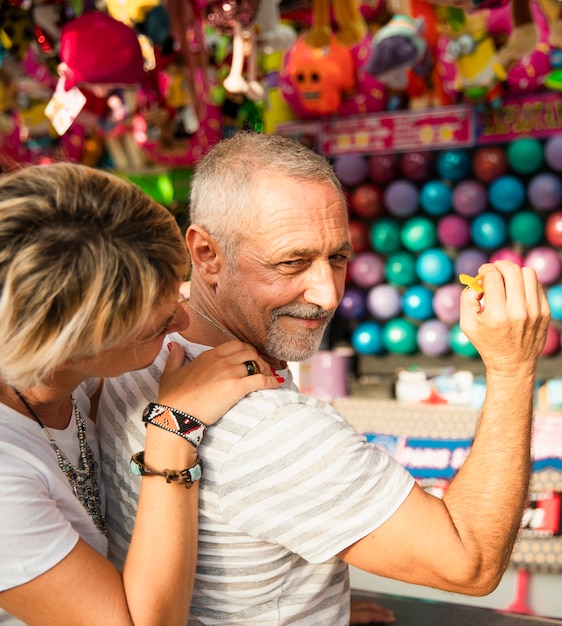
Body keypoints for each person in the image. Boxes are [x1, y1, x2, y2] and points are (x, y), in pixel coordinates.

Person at [98, 131, 550, 625]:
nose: (328, 294)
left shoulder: (134, 349)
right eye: (291, 261)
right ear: (206, 254)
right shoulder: (271, 428)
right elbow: (471, 560)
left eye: (336, 257)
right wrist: (513, 366)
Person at [0, 162, 280, 626]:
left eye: (176, 293)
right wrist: (174, 429)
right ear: (68, 344)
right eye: (158, 324)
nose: (184, 320)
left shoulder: (66, 381)